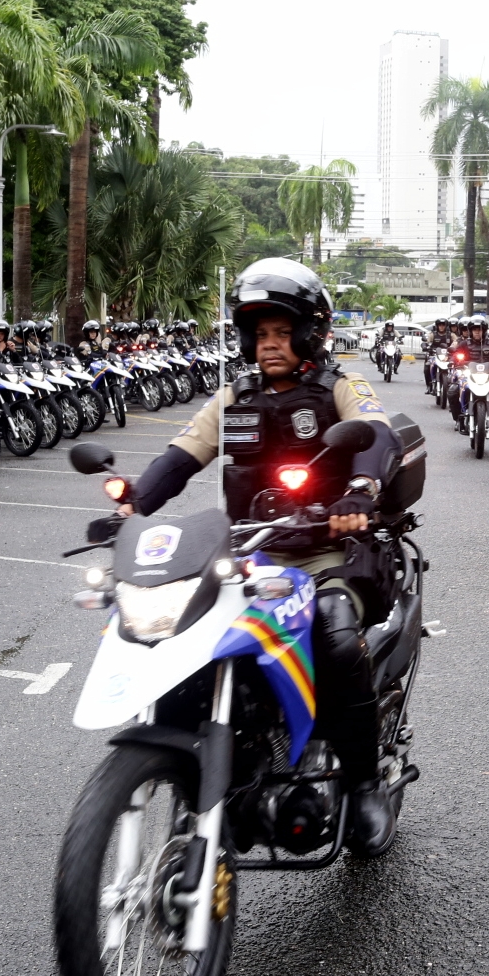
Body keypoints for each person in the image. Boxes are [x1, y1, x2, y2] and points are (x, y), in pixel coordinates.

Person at [110, 258, 403, 853]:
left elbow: (379, 434)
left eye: (281, 331)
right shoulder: (233, 397)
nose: (270, 344)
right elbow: (183, 455)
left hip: (327, 553)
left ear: (308, 333)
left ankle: (366, 783)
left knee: (335, 633)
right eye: (260, 333)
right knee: (179, 634)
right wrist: (134, 502)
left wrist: (360, 492)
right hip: (246, 559)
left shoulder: (337, 387)